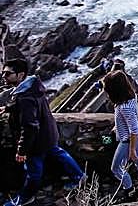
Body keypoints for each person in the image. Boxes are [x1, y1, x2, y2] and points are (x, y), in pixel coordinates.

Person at [2, 59, 85, 206]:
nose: (4, 76)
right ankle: (79, 176)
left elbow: (30, 126)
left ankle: (25, 198)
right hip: (49, 133)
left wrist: (22, 150)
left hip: (36, 142)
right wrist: (9, 108)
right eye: (3, 73)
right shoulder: (34, 85)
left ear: (20, 75)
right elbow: (33, 109)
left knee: (33, 172)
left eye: (8, 74)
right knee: (59, 153)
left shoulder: (24, 97)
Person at [103, 70, 138, 201]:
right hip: (134, 136)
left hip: (127, 140)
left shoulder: (124, 107)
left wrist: (132, 149)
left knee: (116, 168)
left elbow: (134, 129)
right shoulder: (132, 96)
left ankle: (129, 190)